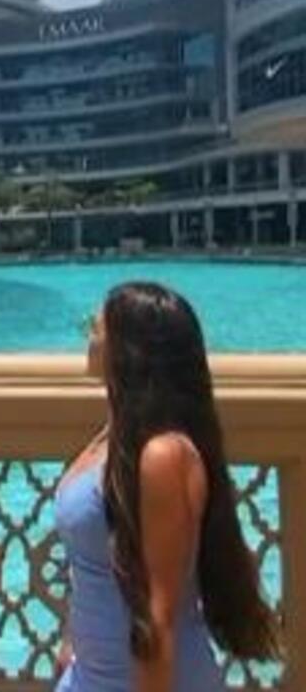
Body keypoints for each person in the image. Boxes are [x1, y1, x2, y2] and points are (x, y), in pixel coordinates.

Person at [55, 282, 279, 691]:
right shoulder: (111, 438)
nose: (88, 337)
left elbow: (158, 617)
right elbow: (93, 567)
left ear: (129, 348)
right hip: (90, 677)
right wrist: (71, 645)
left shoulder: (163, 456)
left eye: (96, 327)